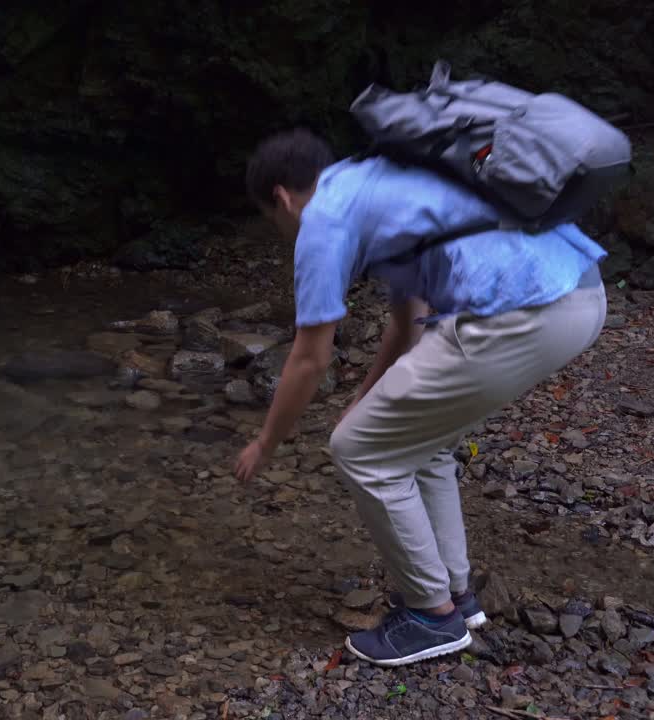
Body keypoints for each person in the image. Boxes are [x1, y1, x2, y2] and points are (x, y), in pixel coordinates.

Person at [233, 127, 608, 667]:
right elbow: (408, 325)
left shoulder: (323, 219)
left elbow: (310, 357)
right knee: (423, 442)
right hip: (581, 293)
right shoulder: (379, 184)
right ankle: (457, 593)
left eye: (276, 223)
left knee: (358, 451)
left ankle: (431, 616)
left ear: (281, 198)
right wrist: (367, 396)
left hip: (525, 311)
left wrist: (266, 443)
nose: (284, 232)